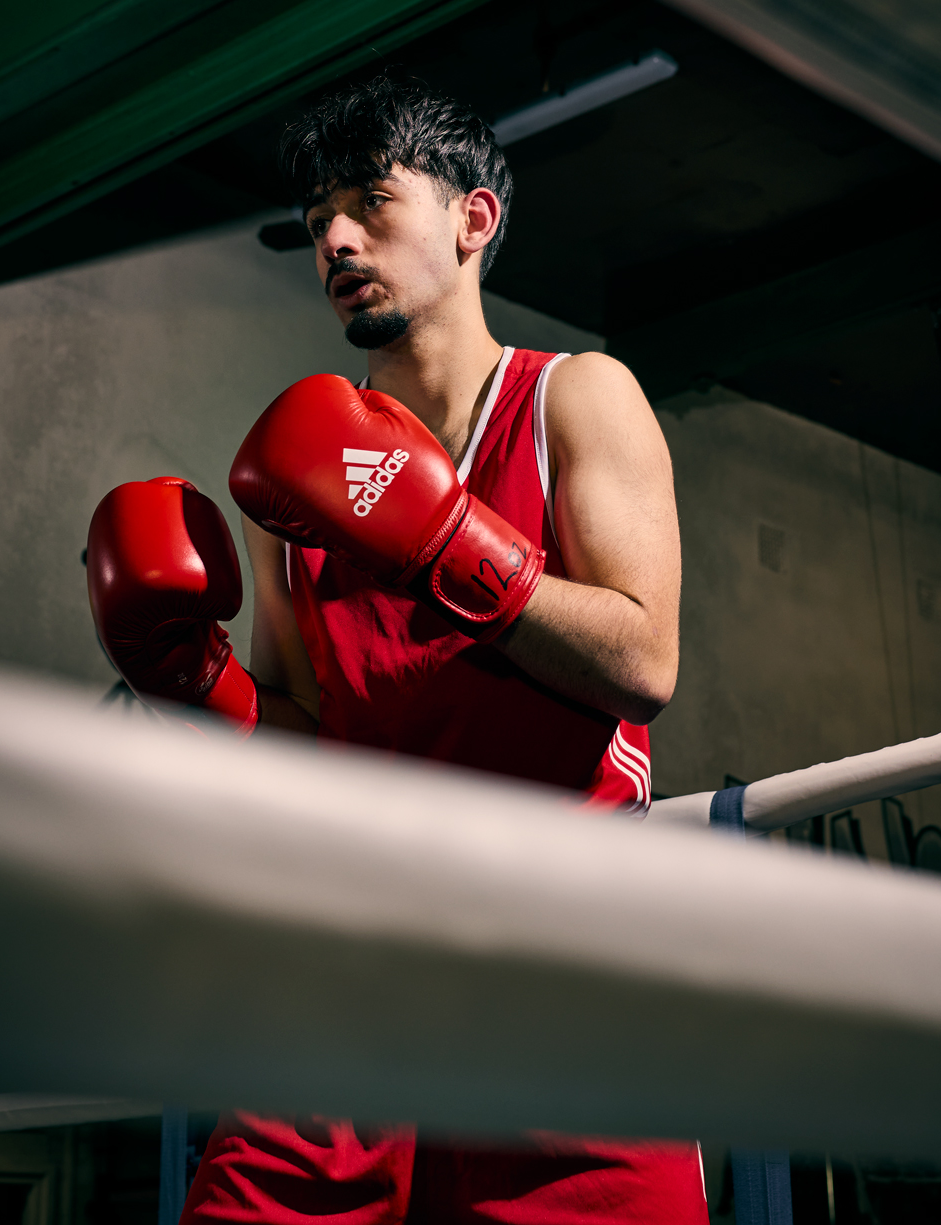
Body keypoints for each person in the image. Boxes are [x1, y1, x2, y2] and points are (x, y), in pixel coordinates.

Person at [88, 76, 696, 1225]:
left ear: (476, 219)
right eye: (321, 220)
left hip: (565, 956)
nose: (337, 239)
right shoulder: (289, 496)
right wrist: (195, 684)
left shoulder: (578, 400)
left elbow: (644, 661)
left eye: (372, 202)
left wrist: (445, 537)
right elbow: (316, 741)